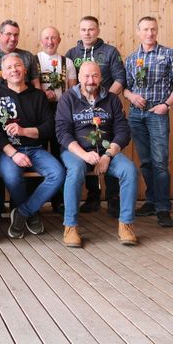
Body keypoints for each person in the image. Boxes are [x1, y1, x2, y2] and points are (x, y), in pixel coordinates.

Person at [56, 61, 138, 247]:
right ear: (79, 77)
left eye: (94, 76)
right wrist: (84, 155)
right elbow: (62, 133)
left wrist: (108, 155)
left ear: (101, 77)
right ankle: (70, 226)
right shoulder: (68, 99)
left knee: (129, 170)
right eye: (86, 76)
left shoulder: (112, 99)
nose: (90, 80)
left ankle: (126, 224)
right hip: (76, 151)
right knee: (75, 171)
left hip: (106, 151)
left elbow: (123, 131)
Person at [0, 53, 65, 238]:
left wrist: (23, 131)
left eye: (17, 66)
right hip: (9, 151)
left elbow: (49, 127)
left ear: (24, 70)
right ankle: (32, 214)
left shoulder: (38, 96)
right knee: (12, 177)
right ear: (3, 74)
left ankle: (24, 212)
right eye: (9, 67)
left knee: (58, 173)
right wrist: (14, 154)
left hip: (35, 149)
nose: (14, 70)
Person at [66, 16, 126, 215]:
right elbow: (71, 83)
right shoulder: (72, 53)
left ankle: (113, 198)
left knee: (107, 148)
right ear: (79, 31)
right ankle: (93, 197)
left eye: (91, 29)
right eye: (83, 29)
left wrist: (106, 99)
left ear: (98, 30)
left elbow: (120, 78)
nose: (87, 33)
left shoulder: (110, 52)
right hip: (80, 112)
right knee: (87, 146)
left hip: (106, 110)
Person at [124, 16, 173, 227]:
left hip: (158, 112)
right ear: (138, 32)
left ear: (157, 30)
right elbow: (125, 87)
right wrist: (131, 96)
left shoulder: (168, 54)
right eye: (145, 29)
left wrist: (166, 105)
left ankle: (163, 208)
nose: (149, 33)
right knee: (145, 161)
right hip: (136, 114)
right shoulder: (131, 59)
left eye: (153, 29)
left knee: (160, 162)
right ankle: (151, 201)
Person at [36, 26, 77, 212]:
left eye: (53, 38)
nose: (50, 41)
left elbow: (73, 91)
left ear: (59, 40)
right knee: (39, 154)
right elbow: (30, 88)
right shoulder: (34, 60)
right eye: (46, 38)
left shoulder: (67, 62)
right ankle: (38, 199)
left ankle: (59, 200)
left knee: (59, 154)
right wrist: (44, 94)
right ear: (41, 40)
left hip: (62, 112)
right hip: (39, 114)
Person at [0, 20, 41, 88]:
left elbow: (36, 83)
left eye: (16, 35)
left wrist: (38, 95)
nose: (13, 38)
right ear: (0, 35)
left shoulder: (28, 56)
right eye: (9, 34)